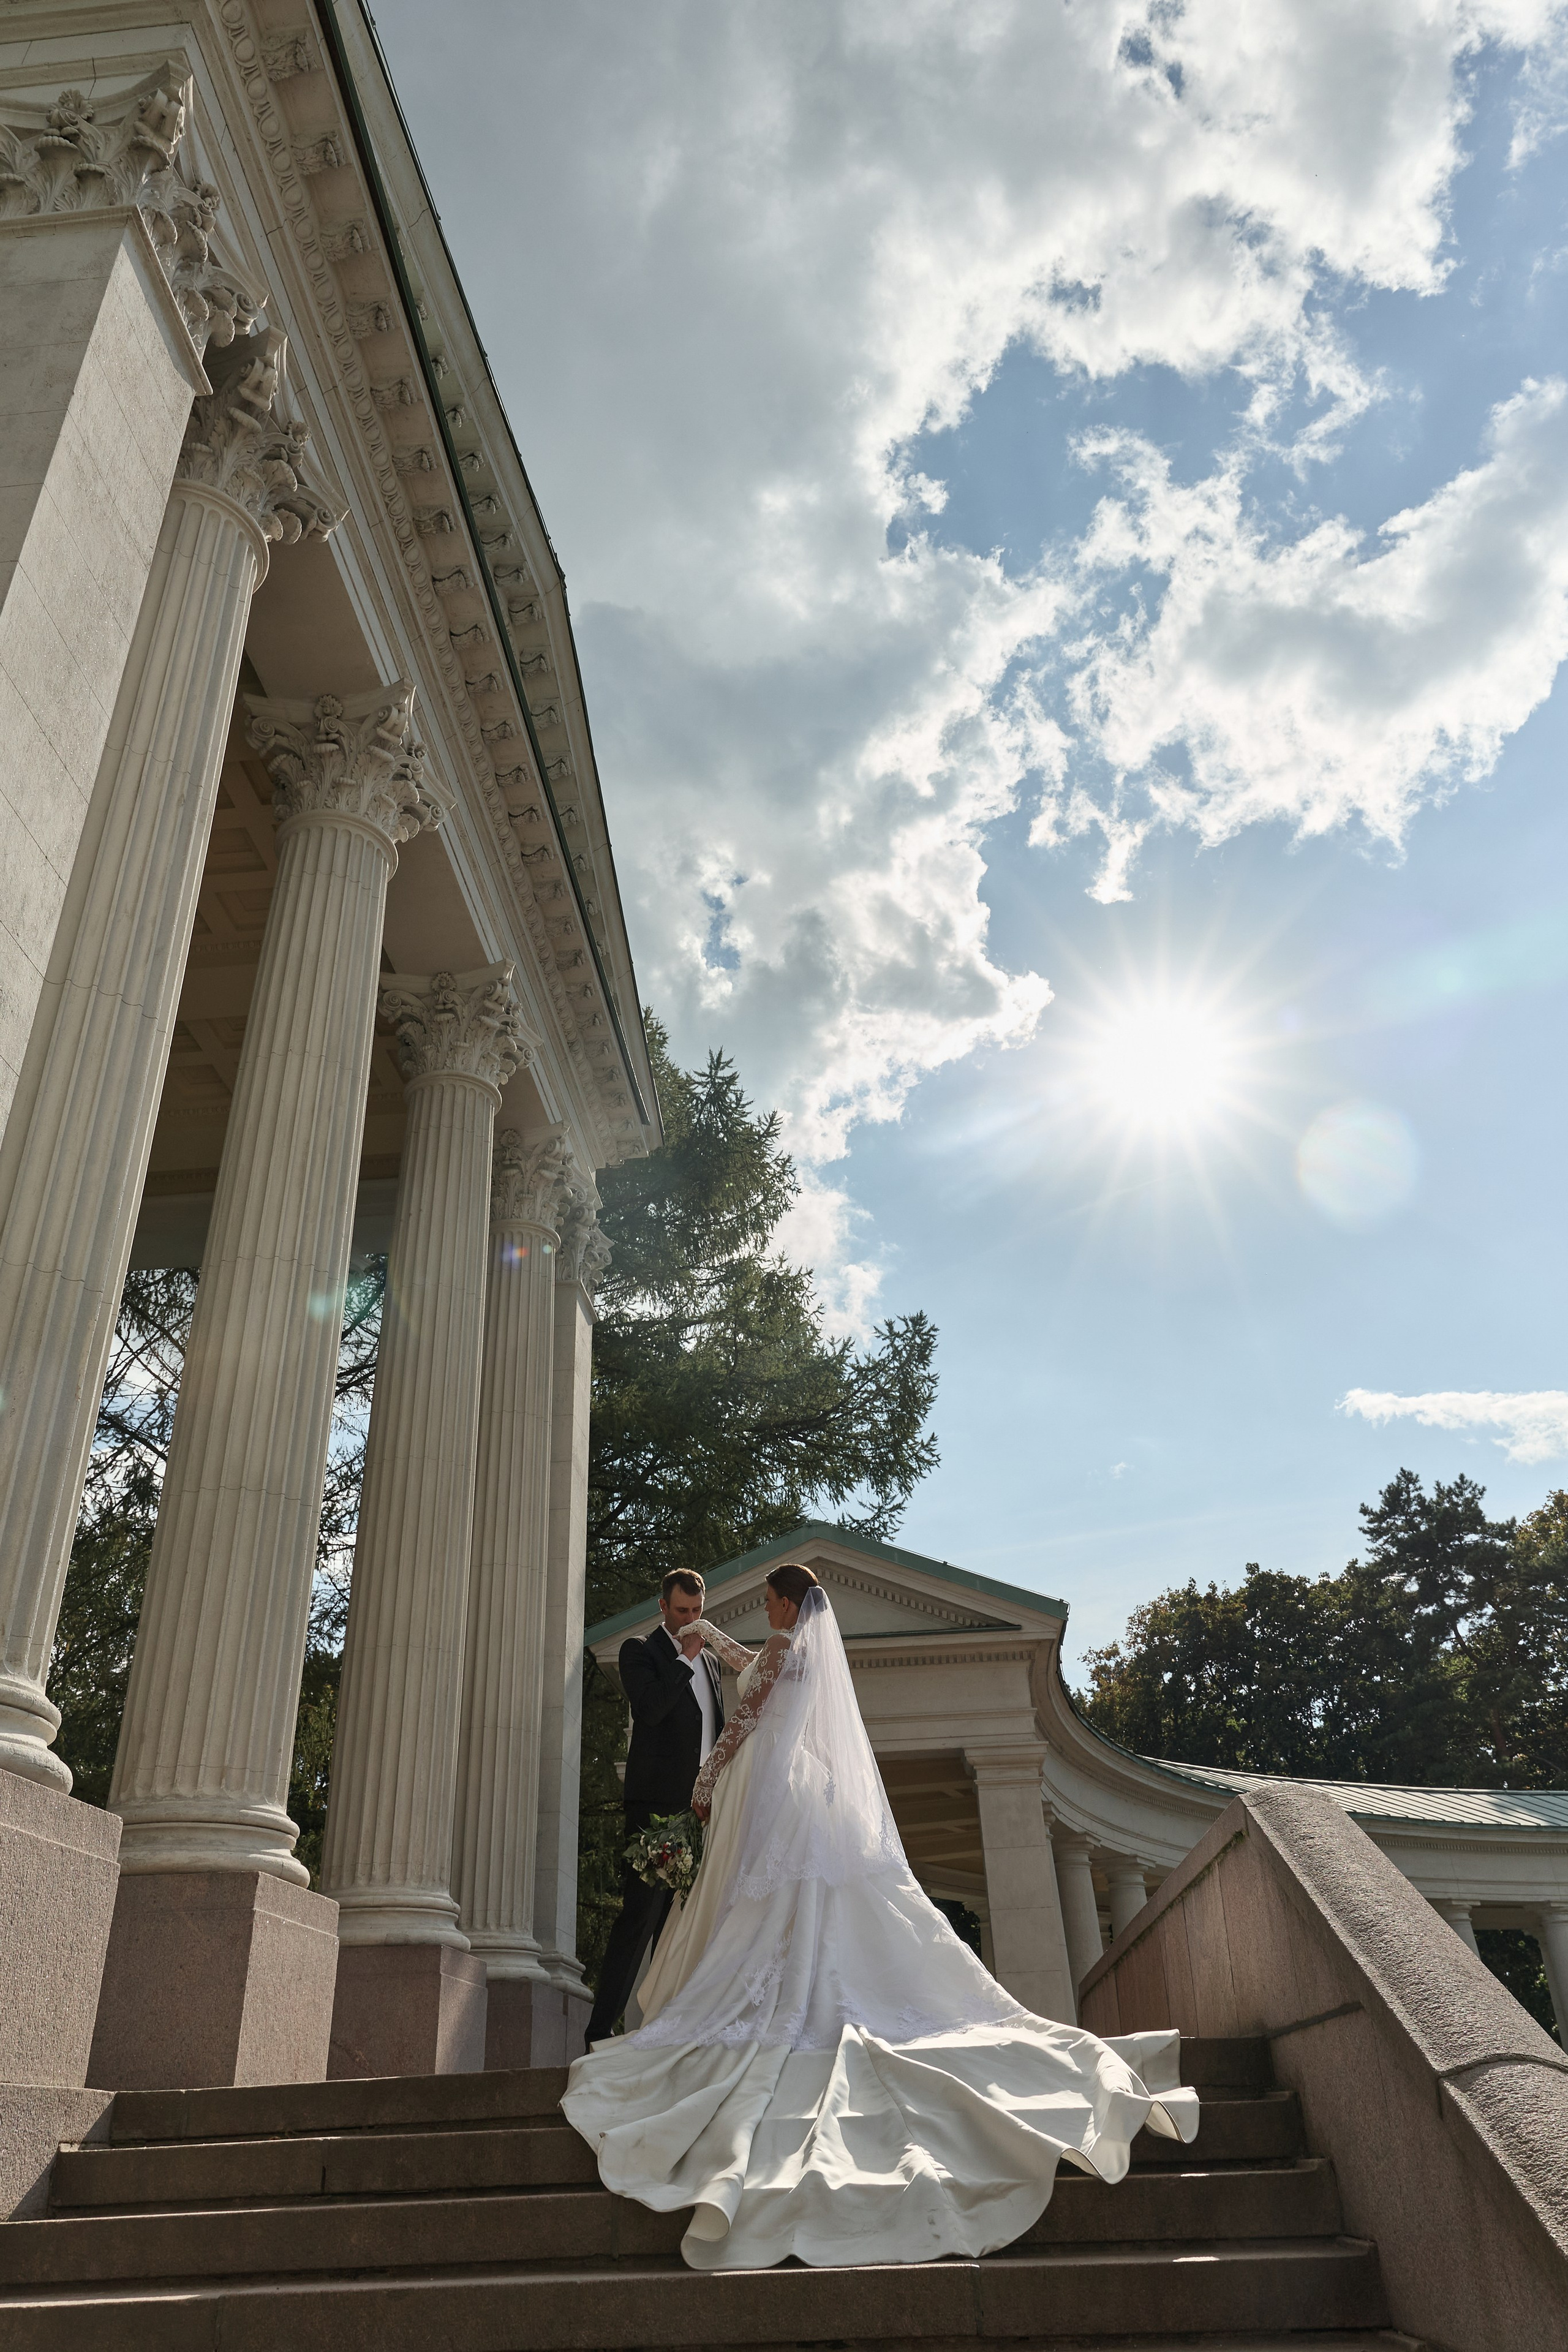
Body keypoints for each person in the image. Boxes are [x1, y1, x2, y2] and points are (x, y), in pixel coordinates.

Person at [564, 1564, 1199, 2271]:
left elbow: (746, 1713)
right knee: (802, 1899)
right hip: (802, 1787)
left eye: (770, 1601)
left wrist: (708, 1776)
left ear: (781, 1603)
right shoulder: (797, 1652)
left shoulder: (782, 1651)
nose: (765, 1610)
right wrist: (712, 1638)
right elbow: (756, 1667)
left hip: (765, 1784)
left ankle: (773, 1991)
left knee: (765, 1900)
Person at [582, 1567, 725, 2051]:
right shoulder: (640, 1652)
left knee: (681, 1926)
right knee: (638, 1919)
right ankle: (600, 2031)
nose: (691, 1620)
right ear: (663, 1607)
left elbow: (717, 1733)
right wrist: (685, 1659)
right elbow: (650, 1710)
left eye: (698, 1611)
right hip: (655, 1810)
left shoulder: (712, 1665)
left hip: (701, 1812)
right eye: (682, 1611)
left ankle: (667, 2033)